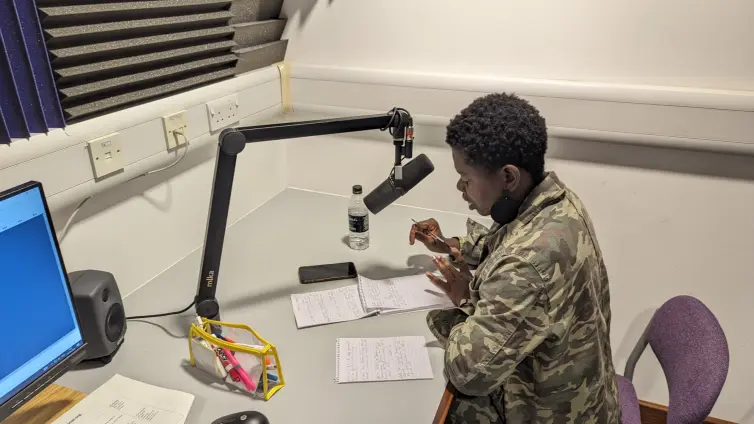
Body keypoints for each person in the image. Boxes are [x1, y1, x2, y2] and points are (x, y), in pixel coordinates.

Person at [410, 93, 620, 423]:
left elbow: (469, 372)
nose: (459, 187)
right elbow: (506, 241)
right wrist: (450, 244)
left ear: (508, 177)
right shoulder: (557, 203)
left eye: (466, 178)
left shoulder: (526, 263)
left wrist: (466, 298)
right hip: (588, 401)